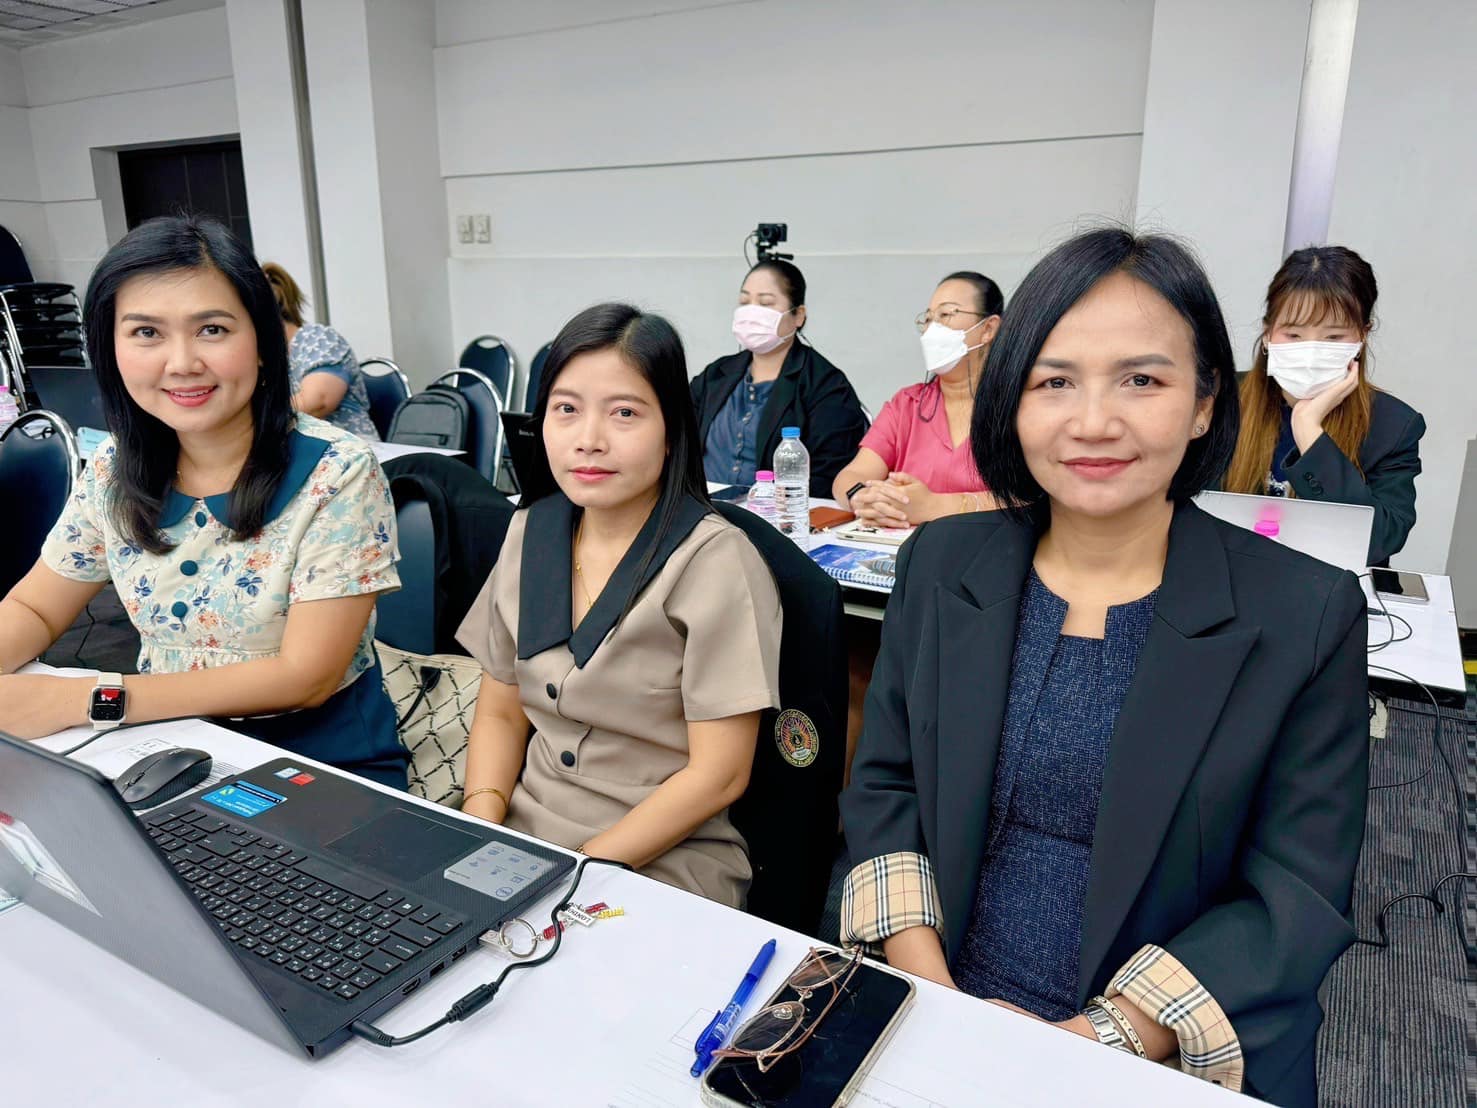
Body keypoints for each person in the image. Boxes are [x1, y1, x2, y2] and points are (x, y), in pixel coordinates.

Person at [840, 228, 1368, 1106]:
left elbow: (1294, 892)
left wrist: (1084, 1044)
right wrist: (935, 1001)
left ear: (1204, 403)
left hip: (1157, 1044)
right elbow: (886, 786)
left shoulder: (1302, 612)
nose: (1092, 422)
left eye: (1141, 380)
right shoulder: (941, 564)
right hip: (934, 1002)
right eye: (1053, 381)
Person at [0, 216, 407, 786]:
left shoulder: (337, 470)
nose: (182, 362)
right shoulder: (115, 466)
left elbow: (305, 677)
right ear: (110, 349)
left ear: (262, 343)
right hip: (163, 748)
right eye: (146, 333)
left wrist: (87, 699)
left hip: (320, 765)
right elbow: (35, 608)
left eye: (212, 329)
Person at [456, 302, 782, 908]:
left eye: (624, 413)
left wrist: (574, 875)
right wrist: (482, 823)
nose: (589, 440)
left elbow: (719, 775)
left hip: (663, 857)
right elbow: (500, 711)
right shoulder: (531, 532)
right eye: (566, 409)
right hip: (526, 839)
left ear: (672, 429)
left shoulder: (714, 560)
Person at [1222, 245, 1423, 565]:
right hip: (1229, 578)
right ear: (1268, 332)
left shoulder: (1393, 425)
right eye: (1294, 335)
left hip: (1328, 588)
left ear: (1362, 336)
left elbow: (1379, 541)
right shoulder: (1221, 398)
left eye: (1333, 337)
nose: (1312, 351)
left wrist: (1309, 432)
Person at [832, 271, 1003, 524]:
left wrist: (934, 506)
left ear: (988, 328)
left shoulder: (1016, 406)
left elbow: (1031, 497)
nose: (932, 328)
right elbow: (851, 476)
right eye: (928, 318)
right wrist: (863, 497)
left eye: (946, 314)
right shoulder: (907, 404)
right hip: (905, 544)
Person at [691, 259, 866, 496]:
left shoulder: (826, 385)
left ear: (798, 316)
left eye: (765, 303)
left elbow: (830, 474)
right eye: (744, 302)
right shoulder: (717, 374)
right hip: (701, 505)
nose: (751, 312)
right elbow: (677, 437)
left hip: (777, 511)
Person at [262, 262, 380, 442]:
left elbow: (318, 402)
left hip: (350, 450)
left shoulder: (318, 338)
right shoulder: (262, 358)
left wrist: (252, 422)